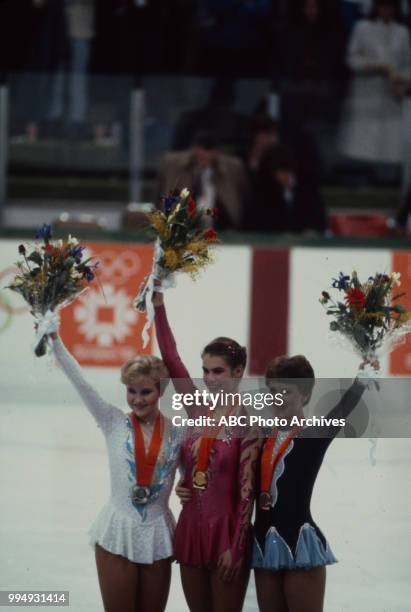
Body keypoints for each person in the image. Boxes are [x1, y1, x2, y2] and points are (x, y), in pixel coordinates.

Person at [46, 318, 182, 612]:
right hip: (118, 531)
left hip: (158, 534)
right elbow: (81, 382)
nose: (137, 399)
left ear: (160, 391)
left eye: (145, 392)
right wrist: (55, 340)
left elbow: (187, 476)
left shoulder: (177, 433)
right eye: (131, 391)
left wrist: (185, 485)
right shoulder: (112, 421)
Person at [153, 290, 261, 612]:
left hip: (227, 533)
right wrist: (159, 306)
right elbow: (172, 360)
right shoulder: (198, 408)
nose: (209, 379)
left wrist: (236, 546)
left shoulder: (248, 421)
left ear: (238, 371)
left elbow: (247, 492)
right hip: (192, 528)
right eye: (206, 371)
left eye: (218, 371)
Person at [252, 355, 372, 612]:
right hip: (263, 545)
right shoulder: (261, 437)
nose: (277, 397)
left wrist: (361, 380)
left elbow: (342, 409)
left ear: (305, 395)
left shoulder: (313, 435)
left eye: (286, 391)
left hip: (300, 545)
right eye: (273, 391)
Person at [339, 0, 411, 164]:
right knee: (363, 140)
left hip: (392, 94)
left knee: (389, 141)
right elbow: (351, 59)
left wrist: (402, 79)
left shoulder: (402, 32)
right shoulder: (362, 27)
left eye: (389, 6)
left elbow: (408, 62)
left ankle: (387, 176)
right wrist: (374, 66)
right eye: (383, 6)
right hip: (366, 91)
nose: (386, 10)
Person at [156, 131, 250, 230]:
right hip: (182, 229)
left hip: (222, 229)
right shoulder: (173, 165)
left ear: (216, 151)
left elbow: (243, 198)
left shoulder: (232, 168)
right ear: (195, 148)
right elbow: (159, 196)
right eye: (202, 151)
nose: (205, 155)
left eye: (208, 151)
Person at [247, 144, 327, 234]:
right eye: (280, 172)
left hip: (305, 244)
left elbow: (320, 221)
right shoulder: (262, 194)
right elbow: (254, 224)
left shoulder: (308, 191)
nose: (285, 176)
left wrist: (313, 230)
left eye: (288, 171)